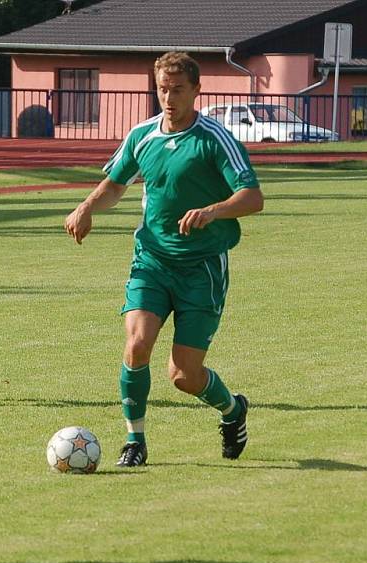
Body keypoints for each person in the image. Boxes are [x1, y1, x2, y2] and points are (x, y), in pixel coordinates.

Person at [64, 52, 264, 467]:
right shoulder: (142, 136)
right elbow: (115, 185)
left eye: (177, 90)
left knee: (184, 376)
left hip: (202, 267)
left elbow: (253, 197)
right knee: (136, 345)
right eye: (162, 89)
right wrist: (85, 206)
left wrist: (213, 211)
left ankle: (232, 409)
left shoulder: (214, 139)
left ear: (196, 90)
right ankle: (134, 440)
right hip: (151, 261)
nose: (168, 98)